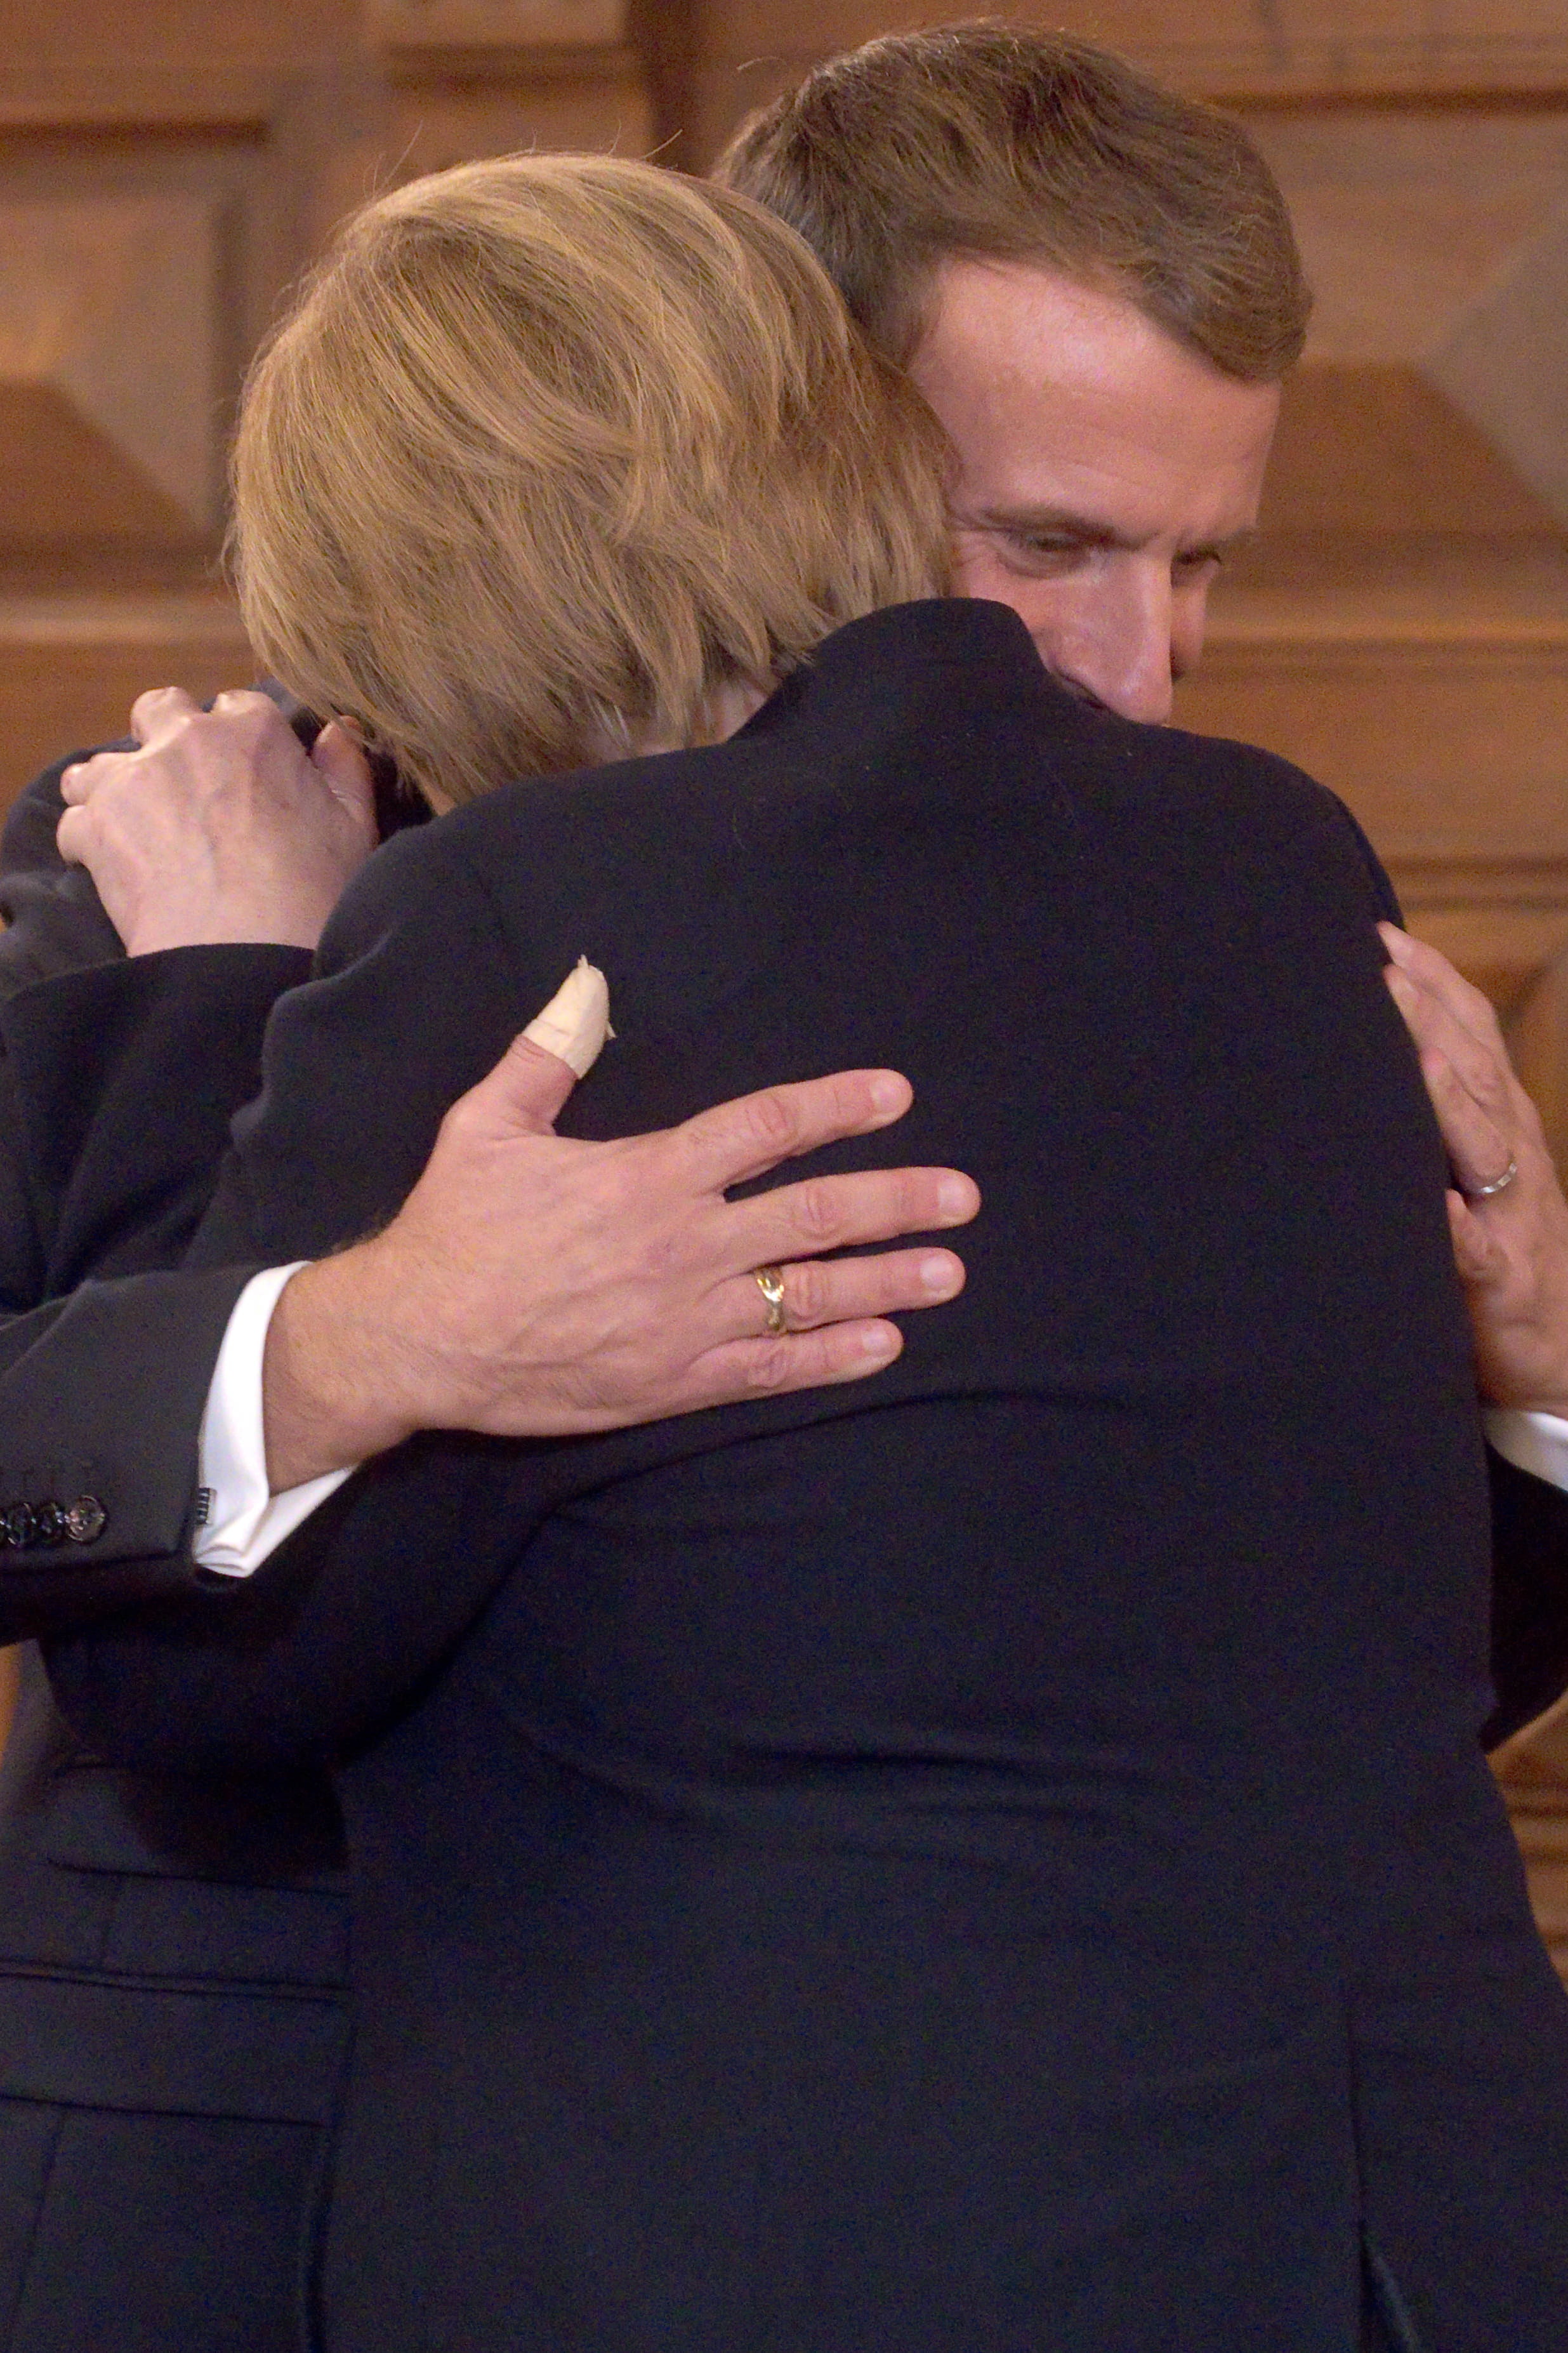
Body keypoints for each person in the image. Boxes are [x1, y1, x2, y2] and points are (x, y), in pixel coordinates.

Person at [43, 147, 1568, 2352]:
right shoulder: (1284, 862)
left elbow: (192, 1678)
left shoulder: (517, 917)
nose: (1133, 659)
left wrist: (216, 1010)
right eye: (1049, 542)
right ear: (844, 444)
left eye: (1197, 560)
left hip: (778, 2240)